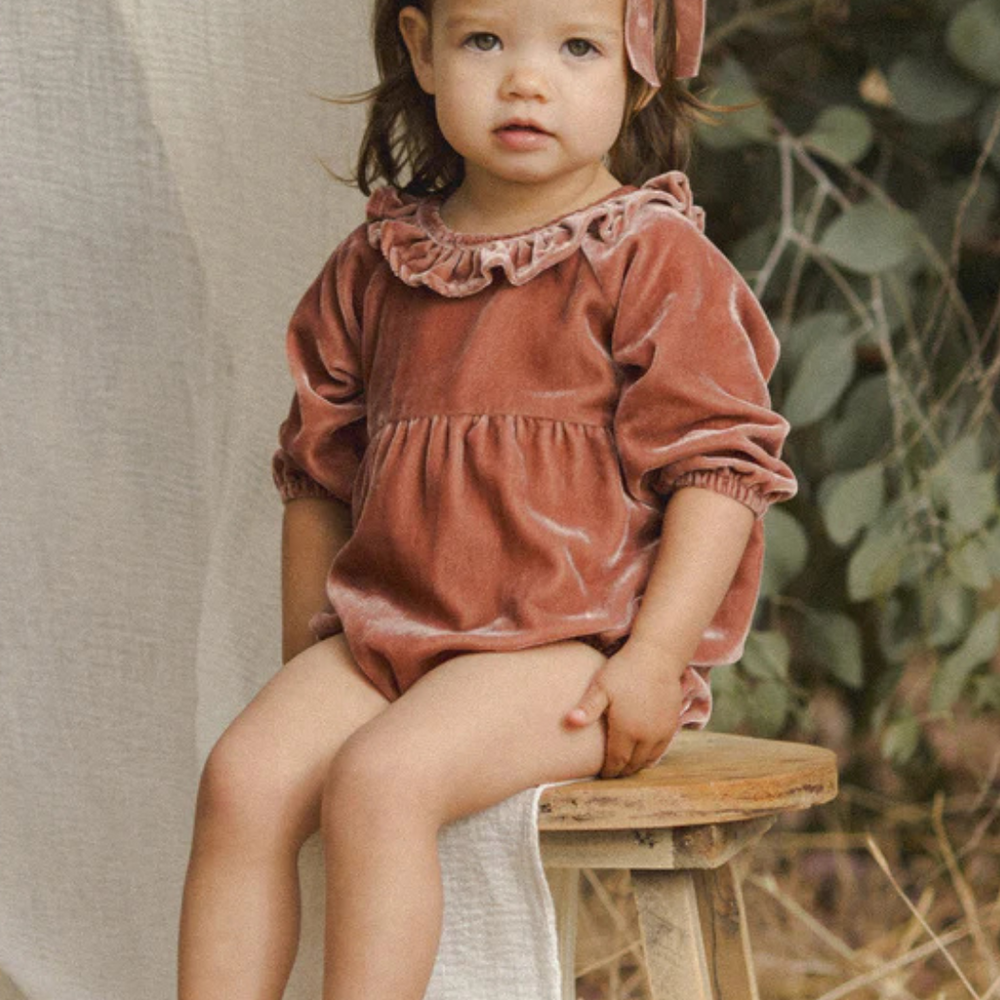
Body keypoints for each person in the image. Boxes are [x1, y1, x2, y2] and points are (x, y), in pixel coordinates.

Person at [177, 0, 798, 996]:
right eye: (484, 41)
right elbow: (316, 474)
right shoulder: (375, 268)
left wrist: (654, 655)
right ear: (421, 49)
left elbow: (718, 474)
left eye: (577, 47)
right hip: (392, 632)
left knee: (381, 781)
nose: (526, 79)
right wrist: (310, 655)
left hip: (569, 646)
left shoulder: (649, 258)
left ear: (638, 74)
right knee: (243, 775)